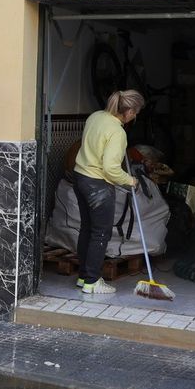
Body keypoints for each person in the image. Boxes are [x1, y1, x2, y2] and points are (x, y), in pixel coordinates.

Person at [72, 89, 145, 296]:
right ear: (129, 111)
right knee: (100, 233)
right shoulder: (117, 132)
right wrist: (131, 180)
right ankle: (92, 282)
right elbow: (111, 169)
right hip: (97, 185)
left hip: (80, 177)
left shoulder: (95, 116)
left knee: (87, 229)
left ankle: (83, 277)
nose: (135, 116)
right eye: (135, 112)